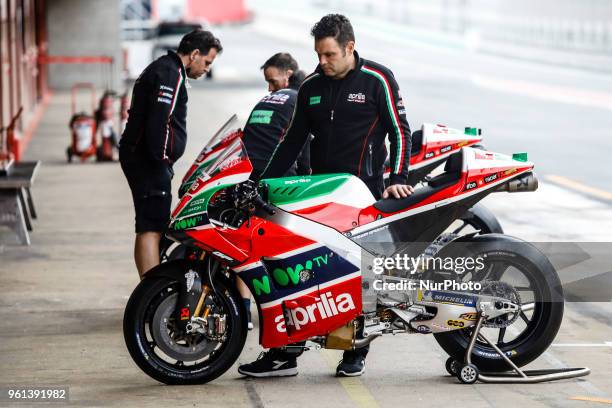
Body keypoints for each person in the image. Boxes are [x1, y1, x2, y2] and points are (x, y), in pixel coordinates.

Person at [238, 14, 413, 379]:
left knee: (354, 278)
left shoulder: (377, 79)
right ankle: (284, 353)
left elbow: (399, 132)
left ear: (349, 47)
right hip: (318, 196)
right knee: (298, 274)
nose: (322, 62)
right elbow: (292, 142)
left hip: (362, 195)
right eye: (318, 54)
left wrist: (397, 178)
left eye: (330, 54)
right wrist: (259, 181)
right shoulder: (311, 87)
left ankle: (353, 351)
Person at [119, 30, 222, 278]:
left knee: (149, 225)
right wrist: (162, 161)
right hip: (149, 161)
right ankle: (151, 294)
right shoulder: (170, 73)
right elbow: (160, 121)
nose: (207, 69)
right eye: (207, 62)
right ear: (194, 54)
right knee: (151, 227)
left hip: (142, 157)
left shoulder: (164, 69)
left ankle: (149, 291)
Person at [238, 52, 310, 330]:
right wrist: (307, 181)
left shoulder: (267, 100)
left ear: (288, 74)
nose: (269, 88)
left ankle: (243, 312)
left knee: (245, 244)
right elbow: (302, 148)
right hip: (276, 181)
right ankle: (287, 309)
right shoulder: (298, 101)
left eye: (272, 80)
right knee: (284, 248)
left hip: (245, 177)